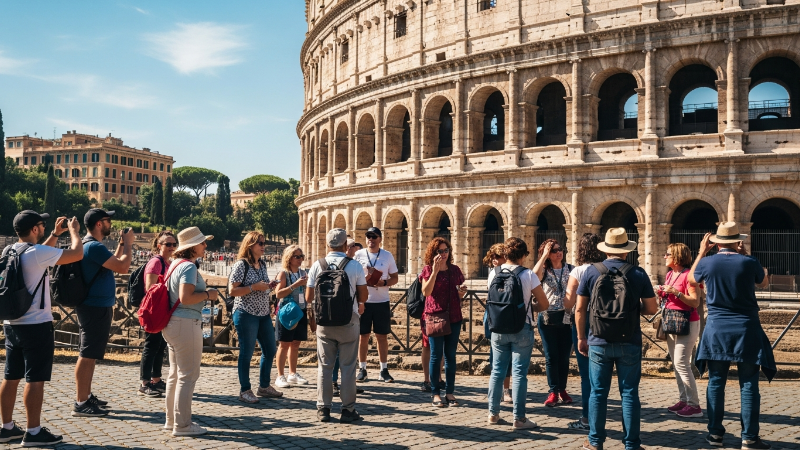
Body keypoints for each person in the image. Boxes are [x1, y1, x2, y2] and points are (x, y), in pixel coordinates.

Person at [0, 212, 84, 446]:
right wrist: (74, 232)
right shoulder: (37, 253)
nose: (44, 227)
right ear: (35, 229)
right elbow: (77, 253)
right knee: (35, 378)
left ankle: (6, 428)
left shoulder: (10, 250)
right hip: (36, 324)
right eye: (42, 225)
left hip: (12, 323)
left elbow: (40, 254)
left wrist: (55, 234)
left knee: (11, 377)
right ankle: (34, 432)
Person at [690, 223, 774, 450]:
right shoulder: (749, 262)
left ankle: (715, 435)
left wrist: (701, 253)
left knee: (716, 382)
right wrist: (745, 255)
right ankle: (750, 438)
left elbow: (691, 280)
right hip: (747, 328)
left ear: (716, 243)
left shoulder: (707, 262)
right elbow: (763, 282)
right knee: (749, 384)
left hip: (717, 328)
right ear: (738, 241)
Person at [575, 228, 658, 450]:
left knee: (598, 392)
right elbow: (652, 308)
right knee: (629, 393)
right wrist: (632, 310)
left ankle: (595, 442)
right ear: (626, 251)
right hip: (629, 339)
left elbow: (580, 309)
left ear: (606, 250)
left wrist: (581, 337)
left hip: (598, 339)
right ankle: (631, 444)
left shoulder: (591, 272)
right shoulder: (638, 273)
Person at [74, 208, 134, 417]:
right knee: (87, 354)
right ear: (99, 224)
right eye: (108, 220)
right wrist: (129, 243)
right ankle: (81, 403)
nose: (111, 224)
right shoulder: (94, 246)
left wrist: (121, 245)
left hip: (95, 306)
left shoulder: (92, 246)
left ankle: (86, 396)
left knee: (90, 354)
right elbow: (123, 267)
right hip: (94, 307)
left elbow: (109, 265)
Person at [486, 237, 549, 430]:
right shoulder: (528, 275)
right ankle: (519, 419)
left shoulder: (493, 273)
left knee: (497, 370)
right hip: (522, 327)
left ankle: (493, 413)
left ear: (505, 254)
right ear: (524, 255)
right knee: (519, 373)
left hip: (498, 327)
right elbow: (544, 304)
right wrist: (530, 307)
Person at [307, 228, 368, 423]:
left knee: (325, 366)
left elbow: (308, 296)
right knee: (348, 367)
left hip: (324, 321)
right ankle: (348, 410)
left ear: (327, 245)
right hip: (348, 320)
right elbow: (364, 295)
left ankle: (323, 408)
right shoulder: (354, 266)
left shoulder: (317, 265)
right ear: (344, 245)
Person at [163, 227, 219, 436]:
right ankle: (183, 425)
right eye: (202, 242)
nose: (205, 245)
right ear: (193, 246)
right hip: (186, 322)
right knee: (188, 375)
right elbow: (186, 297)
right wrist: (208, 294)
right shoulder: (188, 267)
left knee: (174, 375)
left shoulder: (175, 264)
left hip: (173, 323)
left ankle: (171, 420)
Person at [228, 231, 282, 403]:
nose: (263, 246)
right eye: (260, 243)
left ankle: (264, 386)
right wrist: (254, 287)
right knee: (247, 352)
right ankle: (245, 390)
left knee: (270, 349)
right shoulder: (241, 265)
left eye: (264, 243)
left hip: (263, 313)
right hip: (246, 313)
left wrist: (268, 286)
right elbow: (232, 291)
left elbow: (261, 286)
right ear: (250, 245)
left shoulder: (263, 264)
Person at [564, 233, 606, 432]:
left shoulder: (579, 271)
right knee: (602, 371)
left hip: (584, 321)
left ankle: (587, 418)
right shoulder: (606, 268)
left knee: (586, 374)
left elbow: (570, 303)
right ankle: (600, 414)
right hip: (605, 320)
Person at [420, 237, 468, 408]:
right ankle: (435, 393)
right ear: (433, 253)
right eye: (439, 251)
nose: (443, 254)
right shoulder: (427, 269)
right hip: (435, 317)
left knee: (451, 356)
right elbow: (426, 292)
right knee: (435, 355)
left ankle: (449, 392)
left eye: (446, 250)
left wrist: (462, 292)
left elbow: (459, 292)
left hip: (454, 316)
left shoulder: (455, 270)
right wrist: (434, 271)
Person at [660, 243, 703, 418]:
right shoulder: (670, 274)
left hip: (688, 322)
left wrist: (676, 293)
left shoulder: (689, 276)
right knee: (676, 363)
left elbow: (695, 302)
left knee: (682, 363)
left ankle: (694, 405)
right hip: (671, 321)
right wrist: (663, 292)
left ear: (677, 257)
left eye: (668, 254)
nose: (665, 256)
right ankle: (684, 399)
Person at [354, 227, 399, 383]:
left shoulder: (387, 255)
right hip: (364, 301)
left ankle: (383, 369)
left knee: (382, 336)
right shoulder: (359, 255)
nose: (371, 239)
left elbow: (395, 277)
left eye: (374, 236)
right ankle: (362, 369)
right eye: (368, 236)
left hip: (382, 301)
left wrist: (384, 282)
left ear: (380, 239)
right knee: (363, 336)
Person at [533, 239, 575, 407]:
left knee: (564, 357)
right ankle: (553, 391)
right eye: (554, 250)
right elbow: (534, 276)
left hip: (566, 317)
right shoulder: (544, 271)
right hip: (547, 317)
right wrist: (543, 256)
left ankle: (562, 389)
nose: (559, 252)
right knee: (551, 356)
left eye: (560, 249)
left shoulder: (571, 269)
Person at [138, 231, 176, 398]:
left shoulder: (168, 263)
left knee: (160, 345)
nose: (172, 247)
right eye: (168, 244)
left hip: (163, 309)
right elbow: (150, 288)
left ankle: (156, 379)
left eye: (174, 244)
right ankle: (144, 383)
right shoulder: (155, 262)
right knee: (151, 345)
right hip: (154, 310)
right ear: (159, 246)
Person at [274, 245, 313, 388]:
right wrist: (295, 285)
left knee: (296, 343)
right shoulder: (284, 274)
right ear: (289, 258)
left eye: (302, 256)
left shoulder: (304, 272)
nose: (300, 259)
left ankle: (292, 373)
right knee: (284, 344)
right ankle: (280, 375)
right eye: (297, 256)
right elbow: (278, 294)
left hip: (300, 311)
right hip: (287, 312)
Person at [481, 244, 512, 402]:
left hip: (507, 314)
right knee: (495, 354)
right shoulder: (493, 272)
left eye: (497, 256)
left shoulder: (513, 272)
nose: (494, 259)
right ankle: (497, 389)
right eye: (492, 256)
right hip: (494, 314)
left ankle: (506, 389)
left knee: (507, 356)